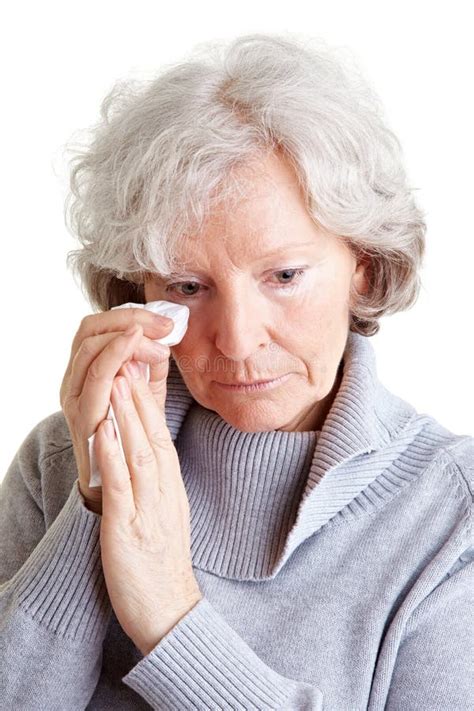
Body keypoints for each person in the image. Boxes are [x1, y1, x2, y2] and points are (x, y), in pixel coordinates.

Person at [0, 32, 472, 711]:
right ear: (138, 292)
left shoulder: (452, 513)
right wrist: (98, 500)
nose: (238, 339)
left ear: (362, 265)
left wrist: (168, 613)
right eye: (188, 286)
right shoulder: (59, 459)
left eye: (283, 275)